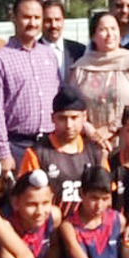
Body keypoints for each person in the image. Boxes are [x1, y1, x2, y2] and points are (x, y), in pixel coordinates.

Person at [0, 0, 61, 173]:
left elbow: (59, 99)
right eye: (26, 17)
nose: (32, 23)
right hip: (18, 146)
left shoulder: (48, 55)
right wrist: (4, 152)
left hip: (51, 144)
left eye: (37, 17)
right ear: (14, 18)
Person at [18, 86, 106, 218]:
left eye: (74, 118)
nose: (69, 125)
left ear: (84, 117)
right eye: (62, 118)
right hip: (50, 224)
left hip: (86, 225)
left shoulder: (96, 153)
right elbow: (25, 197)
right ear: (52, 118)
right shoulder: (37, 153)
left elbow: (106, 196)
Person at [68, 11, 129, 143]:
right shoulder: (81, 67)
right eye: (103, 30)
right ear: (93, 36)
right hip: (88, 140)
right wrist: (89, 129)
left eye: (113, 28)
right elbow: (72, 105)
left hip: (127, 140)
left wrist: (112, 128)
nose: (110, 34)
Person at [41, 0, 85, 84]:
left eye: (57, 19)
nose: (53, 25)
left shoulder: (80, 51)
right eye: (48, 20)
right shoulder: (32, 53)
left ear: (63, 20)